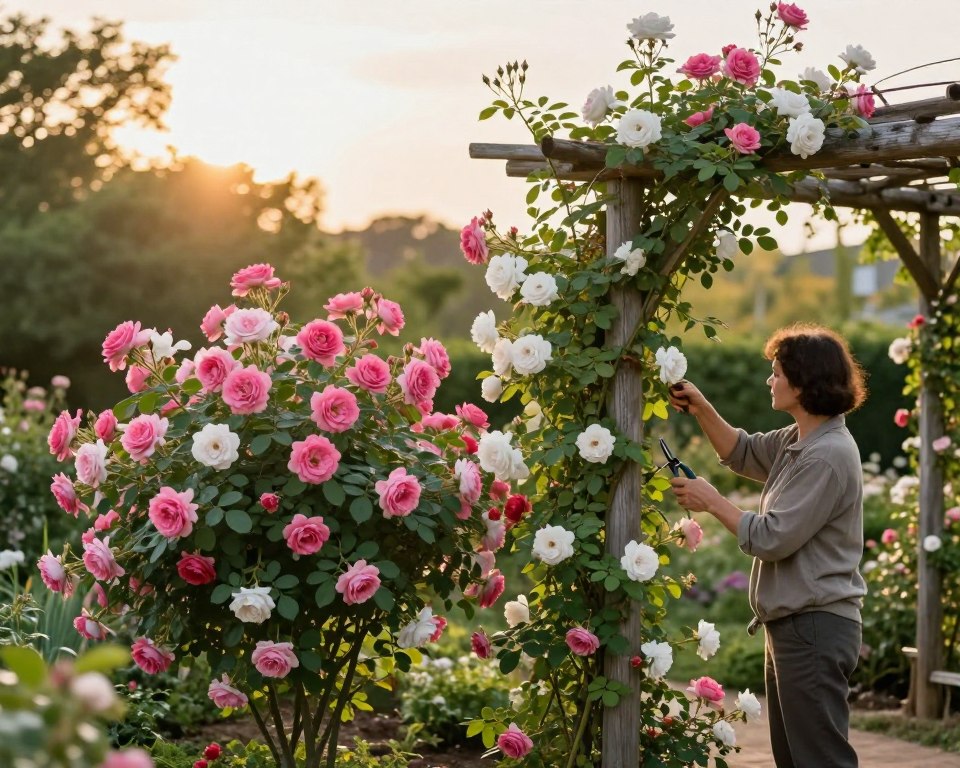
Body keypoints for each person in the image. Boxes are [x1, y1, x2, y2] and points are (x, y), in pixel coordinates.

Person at [668, 323, 867, 768]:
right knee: (795, 759)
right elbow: (743, 451)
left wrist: (712, 501)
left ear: (803, 380)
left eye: (777, 372)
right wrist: (701, 408)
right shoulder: (801, 440)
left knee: (820, 759)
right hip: (793, 625)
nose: (769, 380)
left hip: (814, 626)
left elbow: (772, 537)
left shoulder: (828, 454)